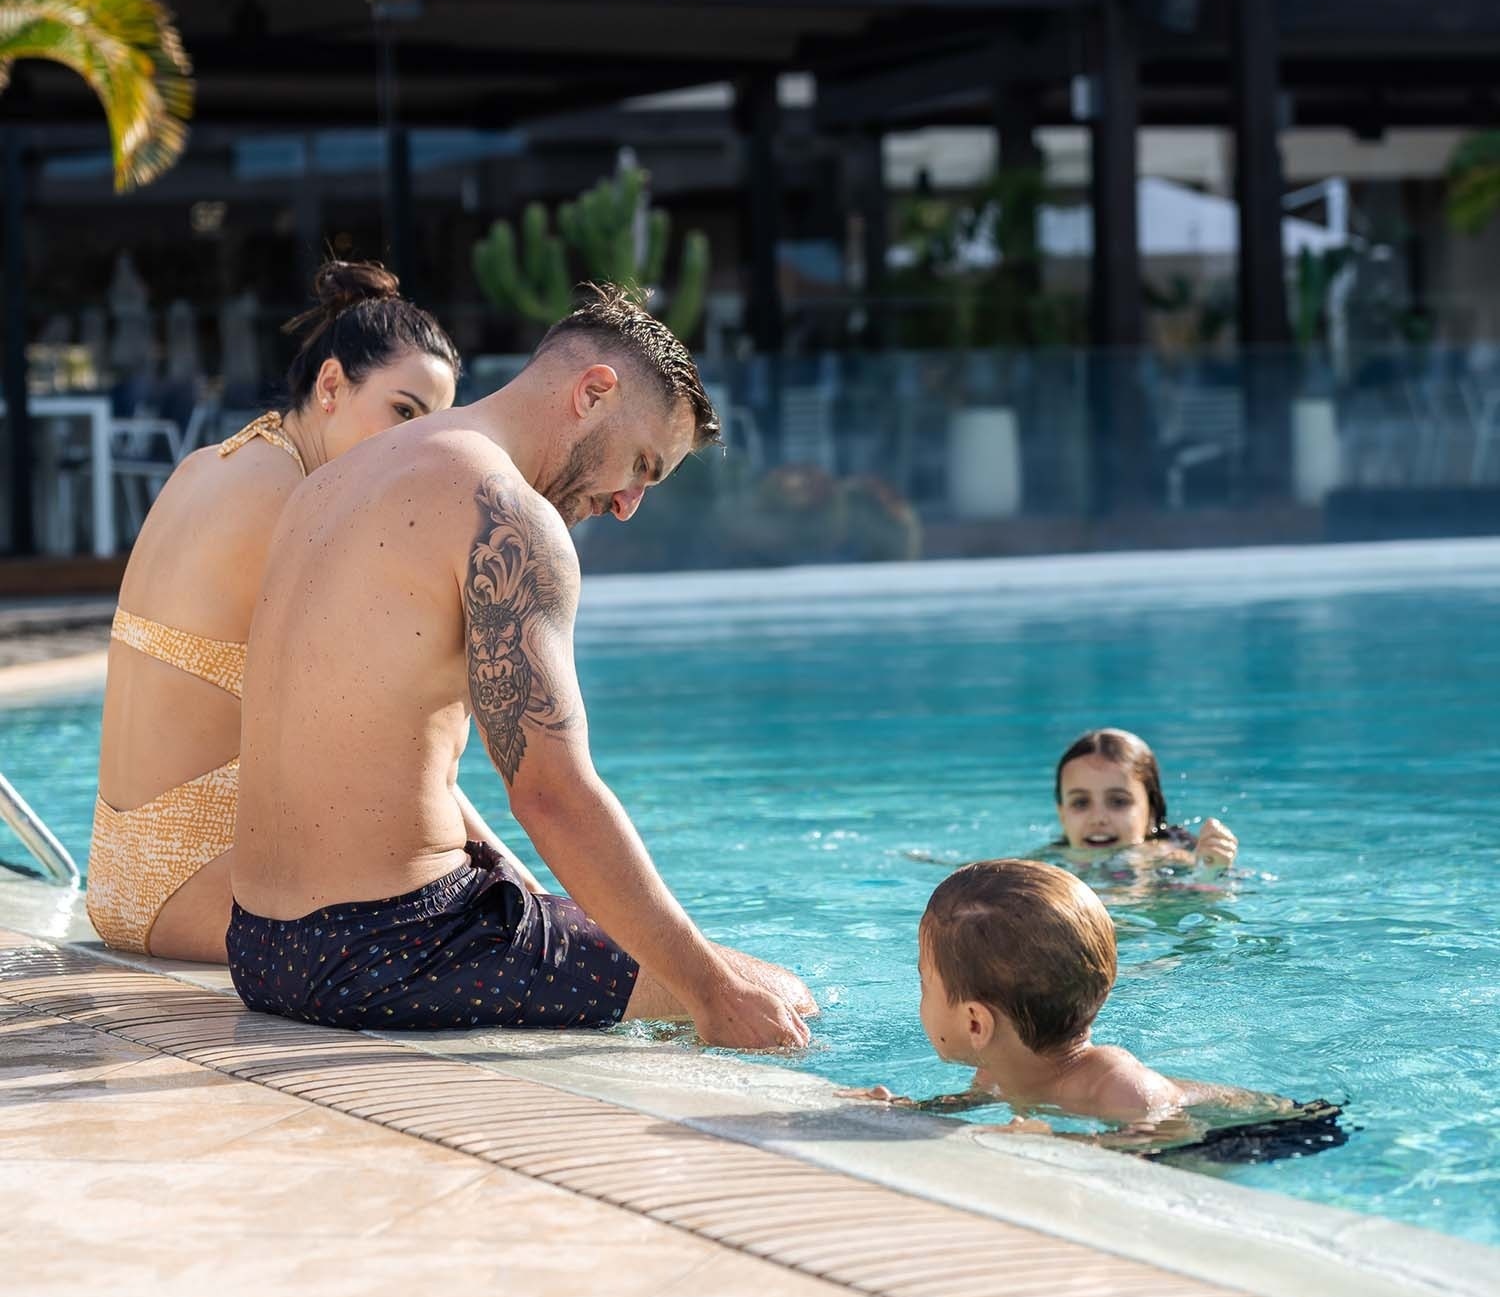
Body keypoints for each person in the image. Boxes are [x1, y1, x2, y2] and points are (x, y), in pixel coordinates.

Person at [228, 285, 814, 1051]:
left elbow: (388, 751)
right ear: (593, 391)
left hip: (261, 947)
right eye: (642, 465)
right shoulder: (505, 514)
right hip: (388, 949)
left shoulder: (327, 483)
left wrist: (519, 884)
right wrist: (714, 994)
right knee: (780, 995)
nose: (629, 503)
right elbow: (551, 794)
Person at [88, 261, 462, 963]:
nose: (413, 446)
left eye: (429, 429)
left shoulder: (209, 465)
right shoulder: (302, 512)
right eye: (403, 412)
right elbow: (395, 749)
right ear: (330, 385)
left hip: (119, 883)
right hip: (207, 895)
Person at [853, 860, 1334, 1155]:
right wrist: (904, 1111)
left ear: (976, 1022)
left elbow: (1164, 1141)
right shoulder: (995, 1071)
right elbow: (965, 1108)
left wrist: (1065, 1144)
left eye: (923, 983)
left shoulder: (1117, 1083)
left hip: (1276, 1133)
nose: (918, 996)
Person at [1052, 727, 1237, 872]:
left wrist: (1210, 871)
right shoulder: (1046, 865)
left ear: (1152, 811)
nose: (1098, 818)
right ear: (1062, 815)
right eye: (1080, 803)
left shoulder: (1173, 860)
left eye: (1118, 802)